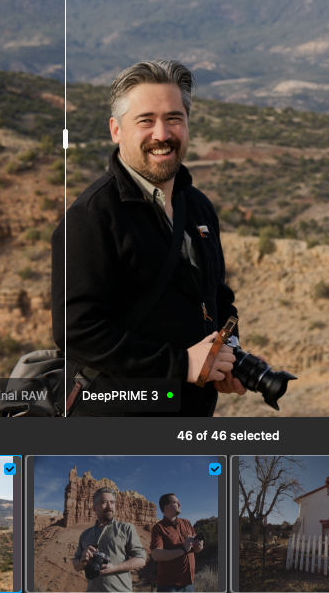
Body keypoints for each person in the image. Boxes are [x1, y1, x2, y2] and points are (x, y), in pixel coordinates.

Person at [53, 59, 252, 417]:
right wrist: (181, 365)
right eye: (145, 120)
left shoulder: (198, 207)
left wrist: (227, 355)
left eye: (174, 118)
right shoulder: (91, 217)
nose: (162, 134)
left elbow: (217, 298)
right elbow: (76, 331)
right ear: (116, 130)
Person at [72, 487, 147, 592]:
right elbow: (77, 567)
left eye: (112, 502)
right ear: (94, 507)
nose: (109, 506)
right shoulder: (85, 535)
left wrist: (114, 568)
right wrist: (82, 560)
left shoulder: (126, 529)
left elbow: (141, 560)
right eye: (104, 502)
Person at [149, 493, 202, 592]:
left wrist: (199, 546)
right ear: (167, 507)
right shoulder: (159, 528)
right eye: (175, 502)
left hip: (190, 583)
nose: (179, 504)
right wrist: (184, 550)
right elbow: (156, 555)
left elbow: (196, 549)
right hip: (169, 586)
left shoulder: (186, 523)